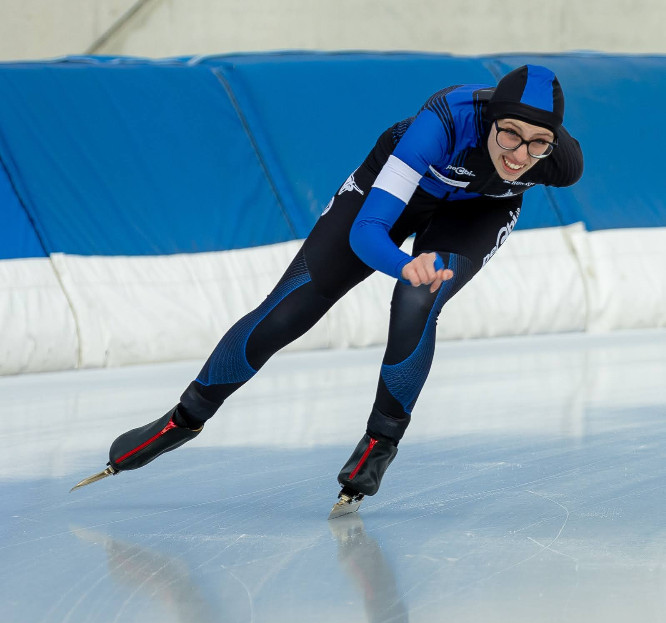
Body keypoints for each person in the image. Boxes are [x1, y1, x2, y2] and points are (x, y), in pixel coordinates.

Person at [72, 64, 583, 512]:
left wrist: (416, 278)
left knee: (419, 300)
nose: (520, 154)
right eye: (509, 135)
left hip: (479, 211)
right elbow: (367, 232)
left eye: (538, 142)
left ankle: (380, 444)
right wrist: (403, 264)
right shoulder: (442, 124)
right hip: (398, 192)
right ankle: (183, 419)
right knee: (289, 308)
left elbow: (535, 158)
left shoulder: (560, 162)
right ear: (490, 119)